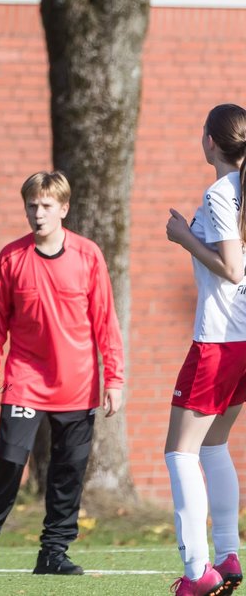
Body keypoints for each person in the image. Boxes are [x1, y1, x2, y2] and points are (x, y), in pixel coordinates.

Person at [0, 170, 124, 577]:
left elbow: (105, 322)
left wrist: (114, 378)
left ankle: (54, 552)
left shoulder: (88, 255)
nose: (38, 214)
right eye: (31, 205)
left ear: (63, 208)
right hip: (24, 378)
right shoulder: (11, 258)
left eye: (46, 206)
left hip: (78, 383)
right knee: (8, 459)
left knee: (69, 469)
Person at [163, 104, 246, 596]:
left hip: (219, 341)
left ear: (212, 142)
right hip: (242, 341)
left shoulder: (221, 191)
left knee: (179, 451)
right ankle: (228, 554)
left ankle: (197, 573)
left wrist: (183, 238)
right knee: (214, 445)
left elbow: (232, 269)